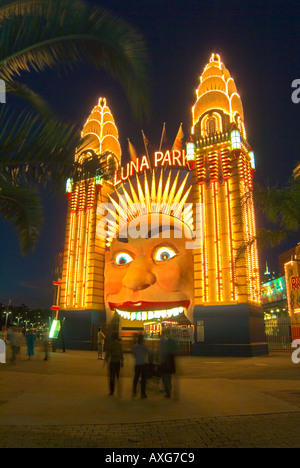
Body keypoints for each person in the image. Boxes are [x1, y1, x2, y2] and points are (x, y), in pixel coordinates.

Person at [159, 330, 178, 399]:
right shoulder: (170, 343)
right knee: (168, 377)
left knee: (165, 377)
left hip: (165, 362)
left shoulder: (164, 342)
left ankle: (168, 391)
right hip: (170, 362)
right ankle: (169, 389)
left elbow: (162, 353)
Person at [105, 332, 123, 396]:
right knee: (117, 377)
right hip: (117, 362)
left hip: (112, 362)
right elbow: (121, 353)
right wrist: (122, 361)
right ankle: (118, 390)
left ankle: (111, 391)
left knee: (111, 377)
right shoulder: (119, 344)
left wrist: (105, 360)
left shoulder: (110, 344)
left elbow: (108, 353)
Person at [132, 334, 150, 399]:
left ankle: (134, 391)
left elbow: (134, 355)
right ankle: (143, 394)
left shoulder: (135, 346)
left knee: (136, 378)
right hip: (143, 363)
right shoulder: (144, 346)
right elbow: (148, 352)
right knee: (143, 379)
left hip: (137, 364)